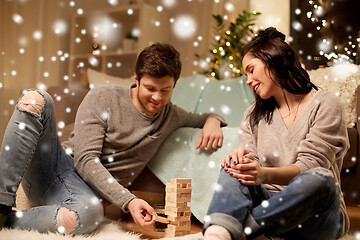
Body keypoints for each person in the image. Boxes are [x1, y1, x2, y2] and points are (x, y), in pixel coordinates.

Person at [0, 43, 226, 234]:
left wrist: (213, 121)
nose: (157, 97)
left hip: (82, 194)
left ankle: (8, 222)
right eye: (150, 88)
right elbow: (86, 159)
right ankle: (1, 201)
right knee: (36, 98)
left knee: (88, 214)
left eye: (165, 90)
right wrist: (129, 200)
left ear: (174, 85)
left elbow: (206, 116)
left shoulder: (172, 115)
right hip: (59, 166)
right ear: (136, 79)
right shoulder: (103, 97)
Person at [202, 27, 349, 240]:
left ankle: (241, 232)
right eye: (245, 74)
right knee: (233, 167)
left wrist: (263, 174)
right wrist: (242, 161)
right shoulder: (252, 115)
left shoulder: (326, 104)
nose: (248, 80)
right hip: (268, 208)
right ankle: (218, 235)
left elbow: (311, 165)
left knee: (322, 179)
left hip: (315, 216)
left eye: (251, 70)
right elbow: (249, 169)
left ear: (272, 59)